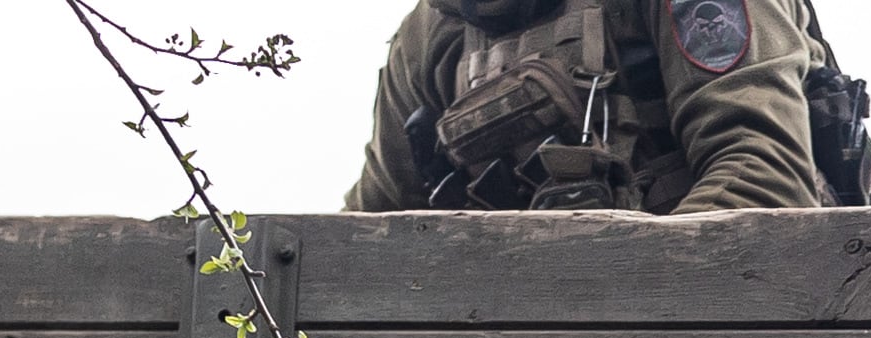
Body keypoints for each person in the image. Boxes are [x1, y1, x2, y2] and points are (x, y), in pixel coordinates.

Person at [345, 0, 842, 214]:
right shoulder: (430, 33)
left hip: (732, 332)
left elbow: (765, 175)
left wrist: (610, 298)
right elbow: (370, 226)